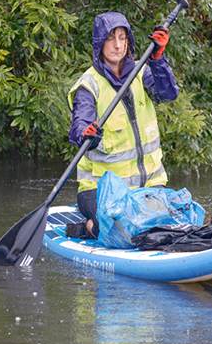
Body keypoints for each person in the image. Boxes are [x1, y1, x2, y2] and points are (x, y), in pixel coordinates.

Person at [66, 12, 179, 238]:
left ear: (129, 42)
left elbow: (168, 94)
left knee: (162, 230)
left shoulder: (141, 72)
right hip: (99, 191)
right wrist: (87, 134)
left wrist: (158, 60)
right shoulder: (89, 86)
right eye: (110, 38)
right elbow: (80, 126)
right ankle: (87, 227)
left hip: (149, 186)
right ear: (100, 43)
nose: (117, 45)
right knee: (123, 233)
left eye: (122, 38)